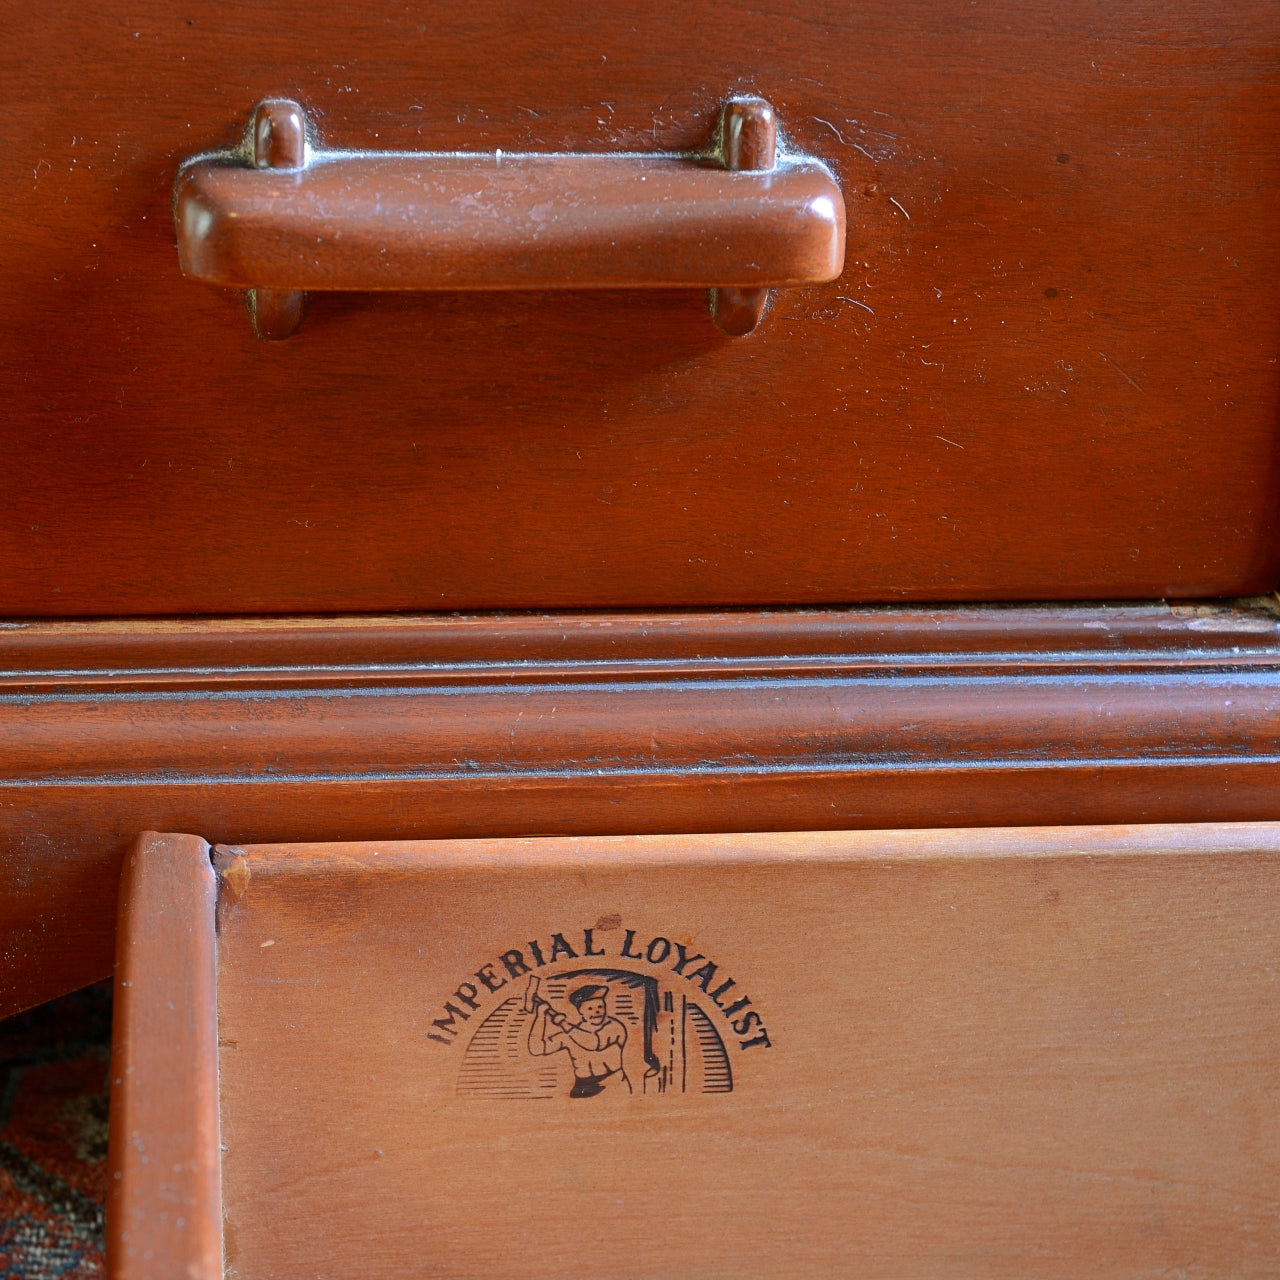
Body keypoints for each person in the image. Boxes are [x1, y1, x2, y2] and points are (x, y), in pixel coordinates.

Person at [526, 982, 631, 1097]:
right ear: (581, 1011)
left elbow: (592, 1043)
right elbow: (537, 1048)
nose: (597, 1011)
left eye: (600, 1006)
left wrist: (563, 1023)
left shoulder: (614, 1027)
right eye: (590, 1008)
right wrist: (540, 1016)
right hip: (581, 1088)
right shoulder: (571, 1035)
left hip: (613, 1084)